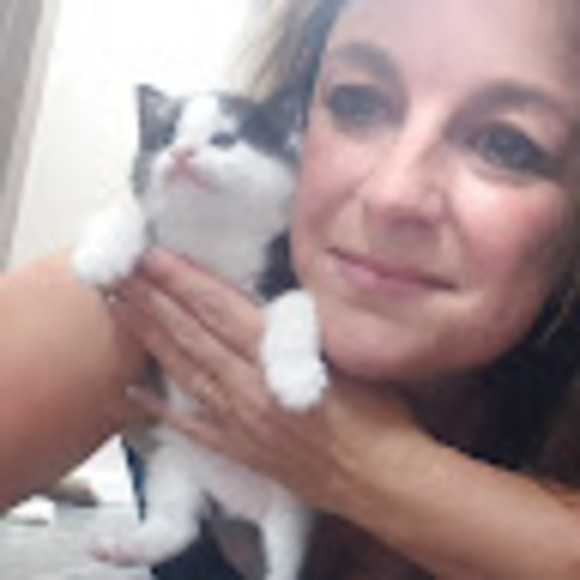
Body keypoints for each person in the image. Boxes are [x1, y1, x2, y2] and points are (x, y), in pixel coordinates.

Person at [5, 0, 580, 577]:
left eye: (506, 144)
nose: (392, 195)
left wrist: (371, 463)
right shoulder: (152, 294)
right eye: (357, 102)